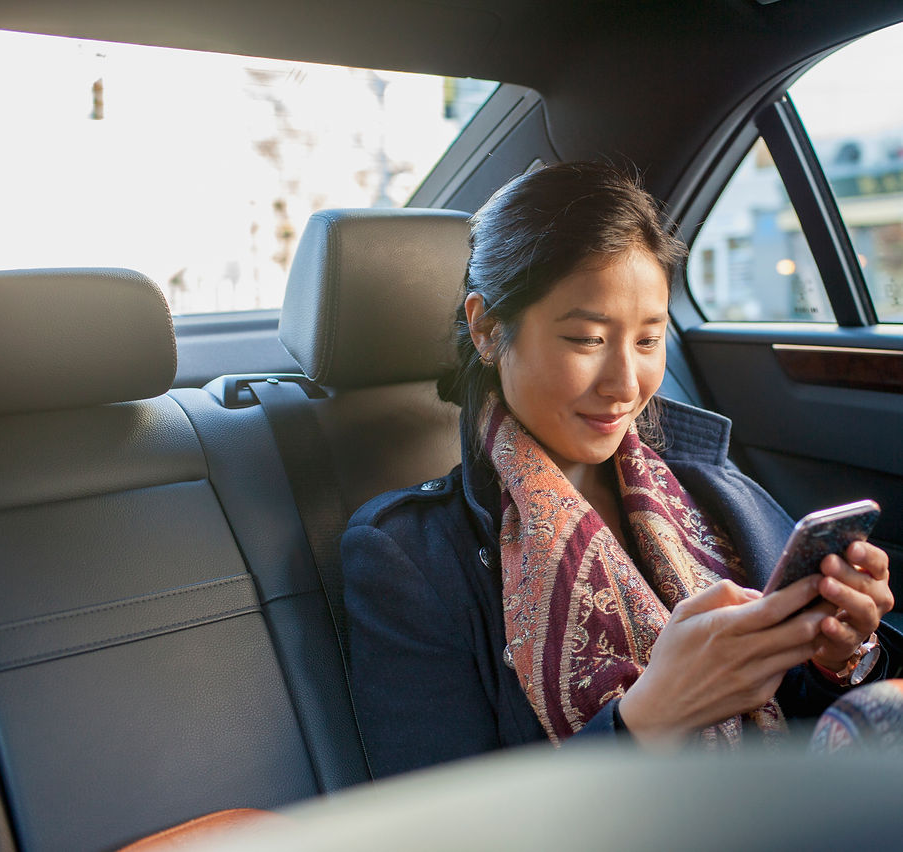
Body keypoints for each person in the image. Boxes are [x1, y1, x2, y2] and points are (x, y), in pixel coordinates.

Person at [341, 161, 894, 778]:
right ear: (488, 328)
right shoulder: (409, 558)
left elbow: (793, 719)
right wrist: (643, 722)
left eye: (648, 340)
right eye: (586, 339)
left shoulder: (704, 491)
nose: (626, 386)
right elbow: (438, 829)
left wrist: (834, 659)